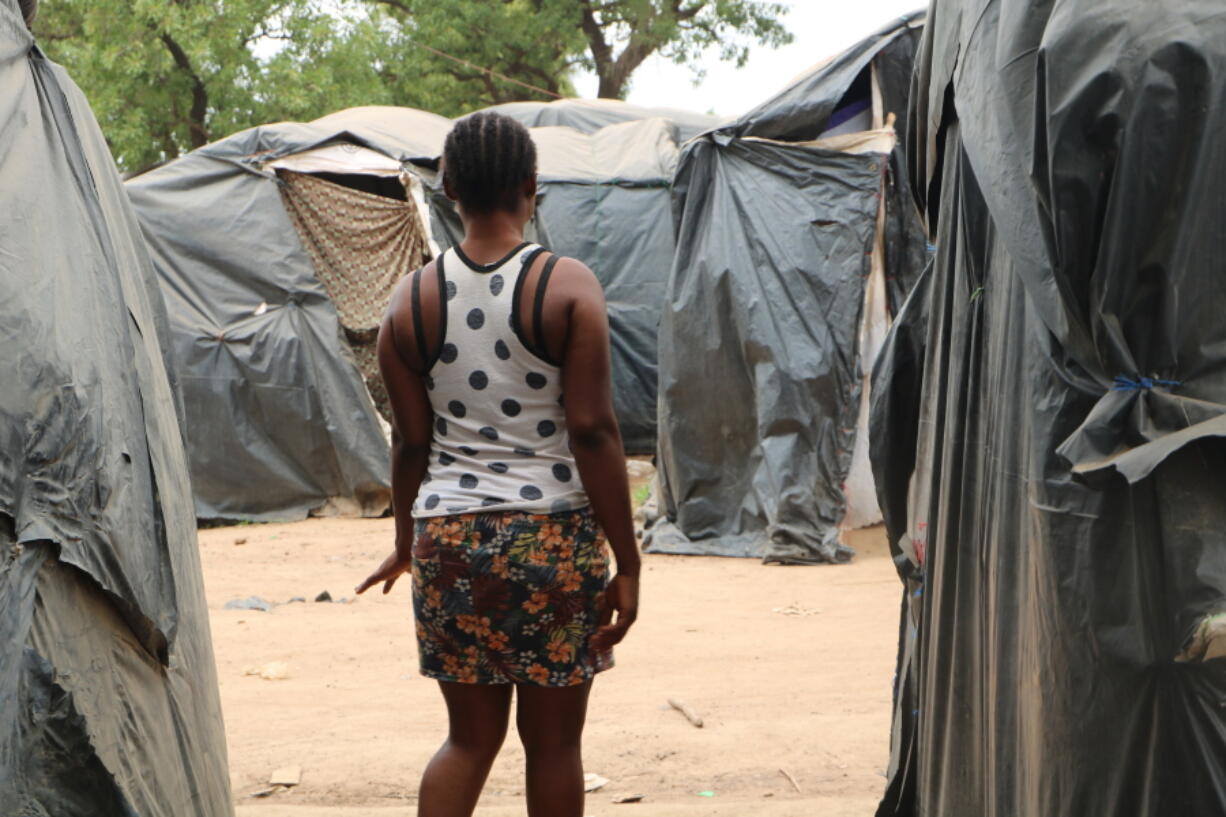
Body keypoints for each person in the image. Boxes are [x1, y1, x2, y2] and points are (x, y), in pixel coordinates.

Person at [356, 111, 640, 817]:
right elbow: (594, 433)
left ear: (449, 189)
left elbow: (411, 445)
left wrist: (404, 545)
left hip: (448, 541)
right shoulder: (568, 287)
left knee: (467, 741)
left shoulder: (408, 304)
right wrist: (629, 561)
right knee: (553, 747)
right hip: (552, 538)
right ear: (531, 187)